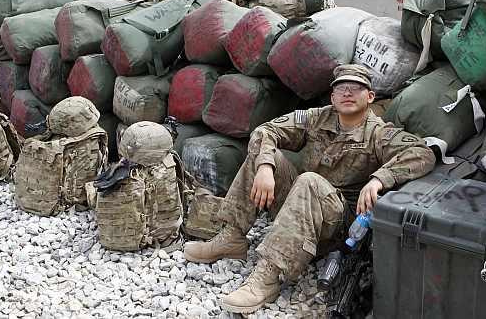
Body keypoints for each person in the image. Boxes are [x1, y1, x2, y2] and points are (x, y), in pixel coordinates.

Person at [183, 64, 436, 314]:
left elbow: (422, 153)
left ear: (370, 96)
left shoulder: (379, 133)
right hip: (299, 207)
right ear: (332, 96)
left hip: (338, 226)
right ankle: (233, 237)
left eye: (356, 88)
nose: (348, 93)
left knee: (309, 180)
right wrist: (265, 167)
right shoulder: (317, 118)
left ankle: (269, 274)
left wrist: (379, 179)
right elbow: (266, 130)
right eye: (342, 88)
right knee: (265, 154)